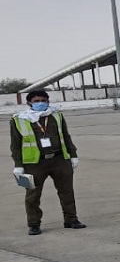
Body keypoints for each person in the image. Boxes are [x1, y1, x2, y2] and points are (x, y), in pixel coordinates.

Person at [10, 89, 84, 235]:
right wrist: (18, 165)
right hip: (34, 163)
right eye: (36, 101)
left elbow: (66, 136)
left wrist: (73, 155)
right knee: (32, 195)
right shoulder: (19, 119)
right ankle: (34, 224)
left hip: (59, 160)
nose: (41, 103)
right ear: (29, 103)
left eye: (43, 101)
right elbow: (15, 145)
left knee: (67, 191)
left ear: (48, 101)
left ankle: (71, 219)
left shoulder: (56, 116)